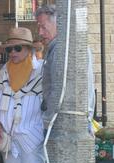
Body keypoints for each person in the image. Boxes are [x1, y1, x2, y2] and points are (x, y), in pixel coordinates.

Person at [0, 27, 45, 163]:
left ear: (28, 49)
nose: (13, 53)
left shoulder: (41, 72)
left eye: (17, 48)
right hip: (8, 142)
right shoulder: (4, 72)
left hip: (31, 140)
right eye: (9, 49)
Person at [35, 4, 96, 133]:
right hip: (74, 121)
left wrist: (48, 120)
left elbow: (59, 90)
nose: (40, 32)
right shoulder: (65, 46)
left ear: (59, 24)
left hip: (63, 125)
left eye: (43, 27)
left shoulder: (62, 49)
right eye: (39, 27)